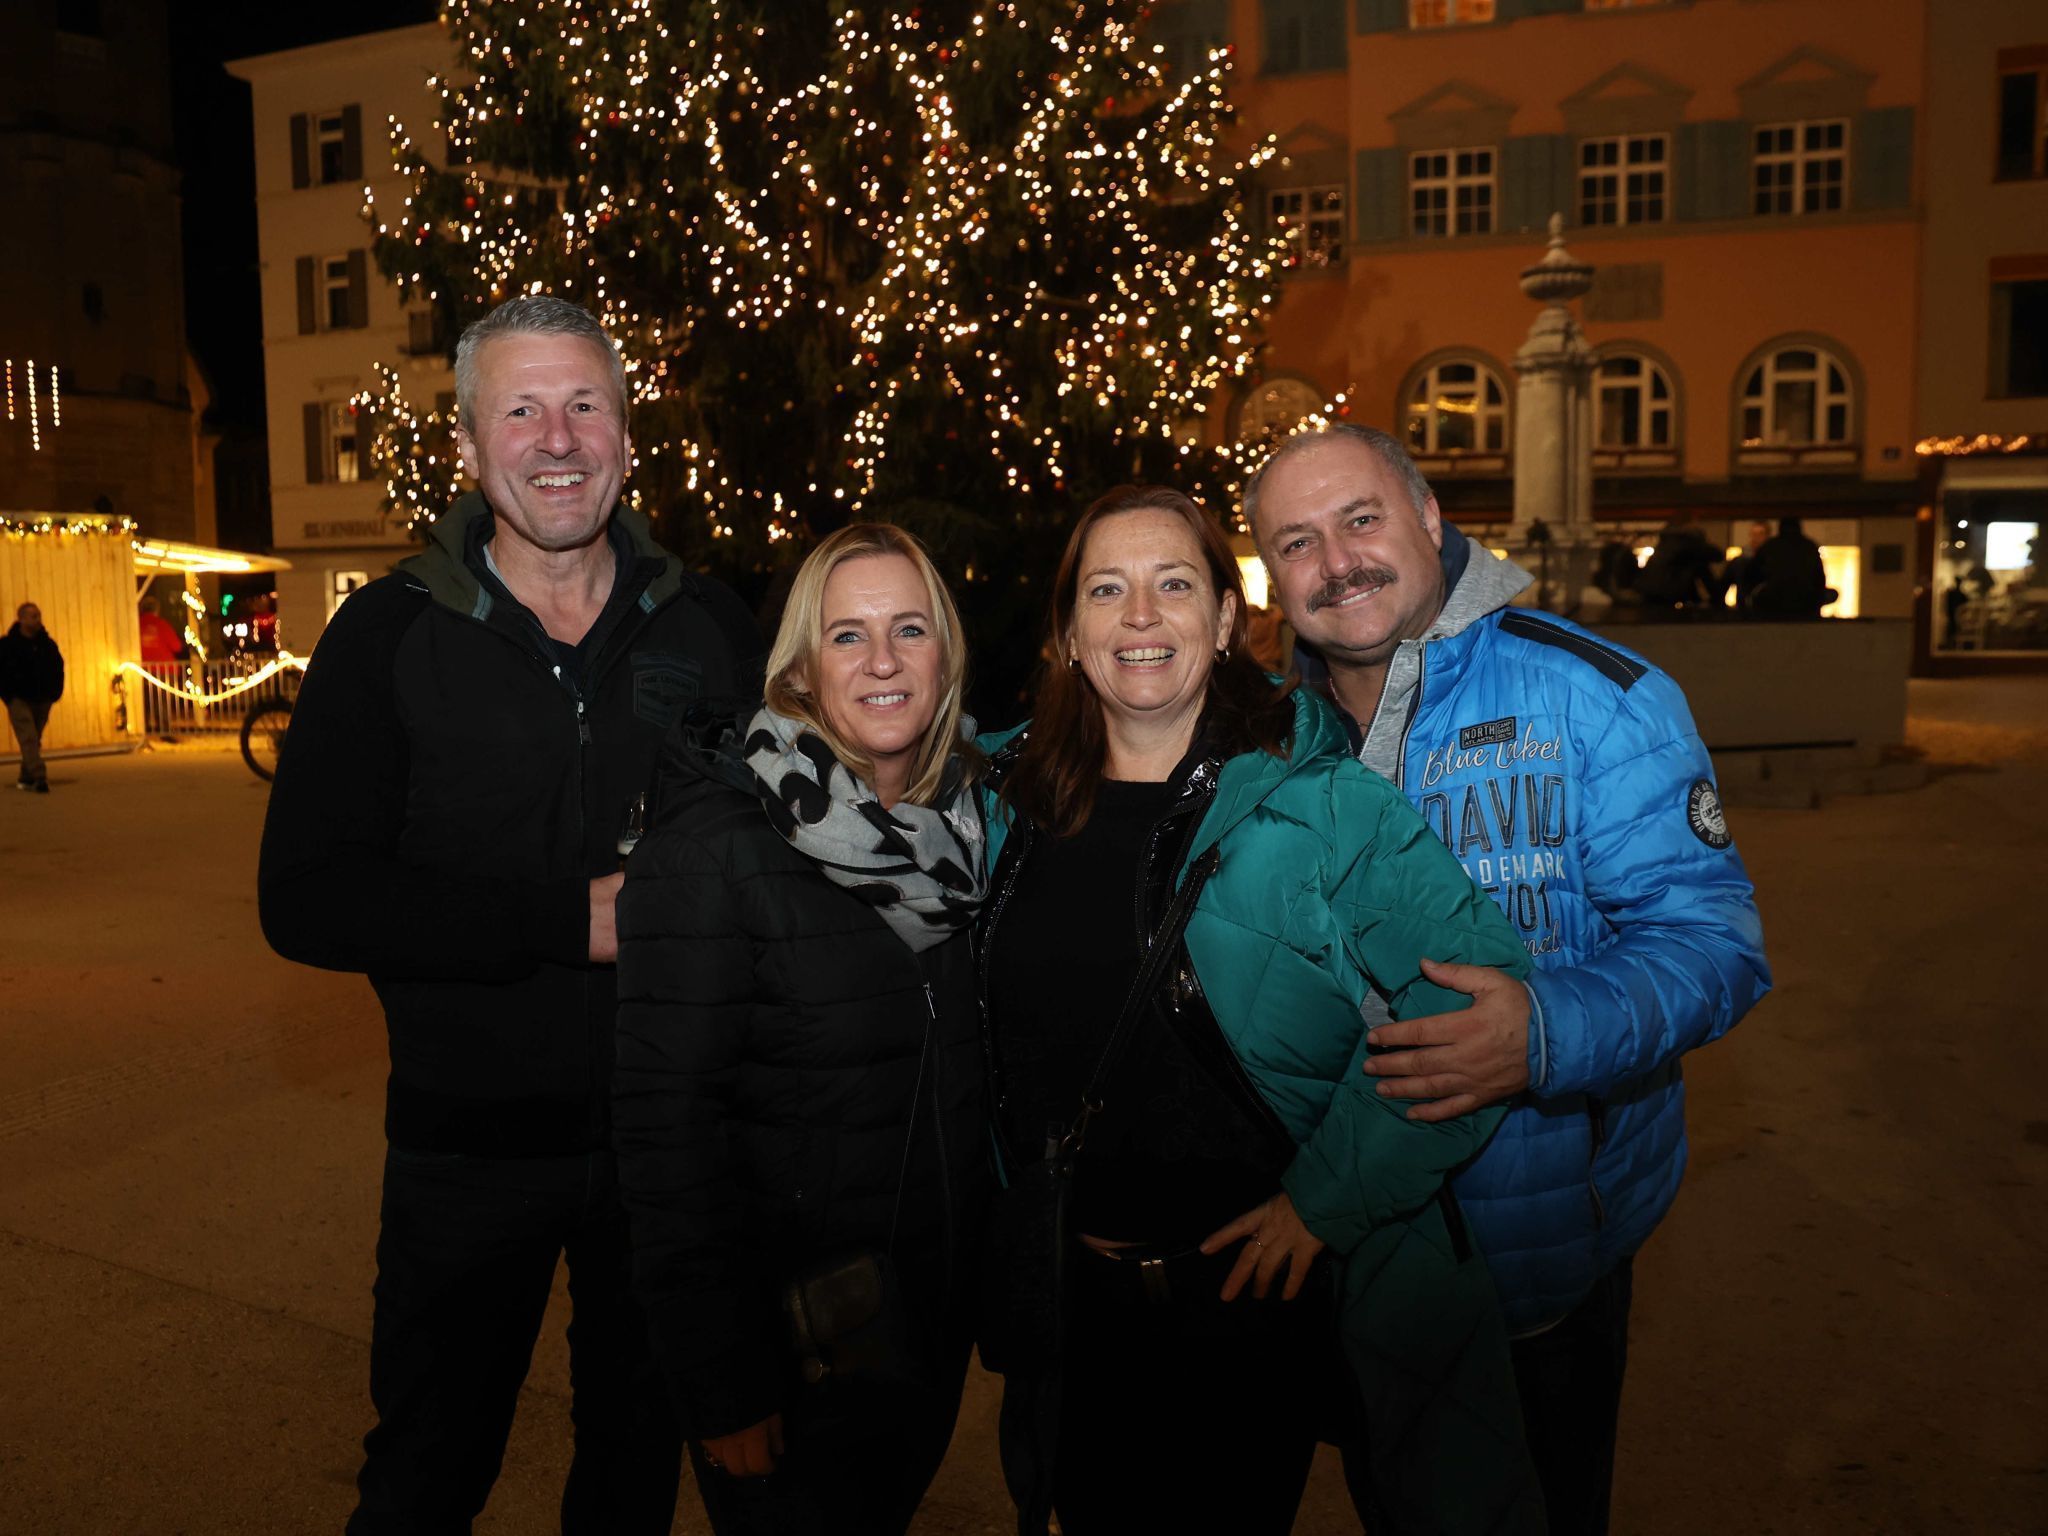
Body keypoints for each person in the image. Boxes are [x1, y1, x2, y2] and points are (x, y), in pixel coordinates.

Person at [258, 293, 761, 1535]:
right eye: (522, 409)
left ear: (627, 437)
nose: (557, 437)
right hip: (465, 1147)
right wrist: (557, 921)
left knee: (633, 1461)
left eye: (585, 405)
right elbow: (306, 898)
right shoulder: (388, 634)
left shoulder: (709, 625)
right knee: (430, 1465)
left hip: (665, 1142)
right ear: (473, 449)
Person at [980, 486, 1544, 1535]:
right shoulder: (1001, 795)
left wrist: (1326, 1199)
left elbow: (1475, 1005)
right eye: (1106, 589)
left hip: (1238, 1307)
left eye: (1174, 585)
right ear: (1067, 631)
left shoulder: (1322, 800)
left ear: (1228, 621)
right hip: (1066, 1298)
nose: (1139, 615)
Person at [1244, 423, 1770, 1536]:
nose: (1334, 561)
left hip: (1526, 1264)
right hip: (1345, 1249)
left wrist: (1539, 1031)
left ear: (1430, 518)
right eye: (1295, 542)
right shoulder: (1258, 735)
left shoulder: (1593, 697)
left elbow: (1715, 944)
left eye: (1360, 519)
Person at [613, 523, 989, 1535]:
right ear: (798, 666)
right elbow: (664, 1140)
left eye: (908, 629)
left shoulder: (969, 827)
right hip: (790, 1349)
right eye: (846, 634)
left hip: (917, 1327)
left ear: (944, 653)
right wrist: (721, 1382)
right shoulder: (717, 847)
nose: (880, 661)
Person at [2, 601, 64, 793]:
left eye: (39, 615)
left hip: (43, 698)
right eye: (33, 616)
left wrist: (55, 693)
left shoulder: (48, 645)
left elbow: (58, 668)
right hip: (18, 698)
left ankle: (25, 777)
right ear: (21, 619)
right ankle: (39, 776)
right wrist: (8, 695)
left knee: (34, 739)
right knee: (28, 738)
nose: (38, 620)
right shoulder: (7, 645)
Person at [1749, 516, 1833, 618]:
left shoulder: (1770, 547)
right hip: (1805, 605)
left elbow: (1753, 576)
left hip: (1774, 604)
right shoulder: (1809, 547)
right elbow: (1819, 579)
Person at [138, 595, 182, 665]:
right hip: (166, 669)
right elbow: (177, 646)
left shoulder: (137, 625)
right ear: (157, 609)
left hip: (143, 670)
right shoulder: (162, 624)